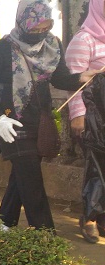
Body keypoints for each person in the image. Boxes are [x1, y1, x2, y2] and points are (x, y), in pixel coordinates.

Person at [0, 0, 100, 231]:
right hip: (11, 121)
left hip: (40, 121)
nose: (40, 34)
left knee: (23, 173)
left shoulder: (53, 44)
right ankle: (45, 235)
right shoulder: (2, 50)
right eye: (35, 29)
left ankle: (4, 221)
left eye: (45, 28)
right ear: (23, 22)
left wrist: (82, 77)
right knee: (31, 177)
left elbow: (60, 77)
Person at [65, 0, 105, 243]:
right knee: (96, 166)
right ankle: (89, 217)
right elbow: (74, 84)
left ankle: (102, 218)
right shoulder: (84, 40)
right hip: (92, 114)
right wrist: (78, 114)